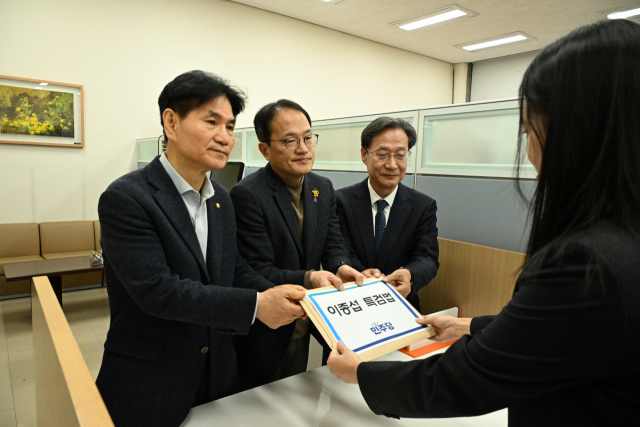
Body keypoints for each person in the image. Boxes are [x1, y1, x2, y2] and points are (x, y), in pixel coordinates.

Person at [327, 19, 640, 426]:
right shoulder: (617, 241)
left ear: (574, 132)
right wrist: (467, 324)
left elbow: (466, 378)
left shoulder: (588, 261)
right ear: (365, 155)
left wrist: (359, 375)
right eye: (383, 153)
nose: (528, 151)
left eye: (531, 130)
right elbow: (567, 328)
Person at [96, 71, 307, 427]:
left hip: (217, 373)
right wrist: (257, 306)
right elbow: (158, 292)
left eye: (229, 127)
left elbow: (233, 268)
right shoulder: (127, 197)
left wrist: (279, 293)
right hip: (151, 379)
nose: (224, 137)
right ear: (171, 122)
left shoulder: (220, 199)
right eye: (212, 122)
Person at [230, 99, 365, 387]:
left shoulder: (322, 187)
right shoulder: (247, 195)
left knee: (298, 394)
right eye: (290, 141)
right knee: (260, 400)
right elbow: (255, 269)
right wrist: (309, 277)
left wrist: (341, 266)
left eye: (307, 138)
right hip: (268, 325)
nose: (303, 148)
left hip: (308, 316)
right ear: (264, 149)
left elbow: (332, 243)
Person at [336, 117, 439, 310]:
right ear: (364, 155)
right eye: (382, 154)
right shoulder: (341, 200)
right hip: (352, 302)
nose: (392, 165)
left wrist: (410, 274)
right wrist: (363, 275)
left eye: (400, 155)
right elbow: (341, 250)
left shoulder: (423, 206)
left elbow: (428, 257)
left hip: (401, 305)